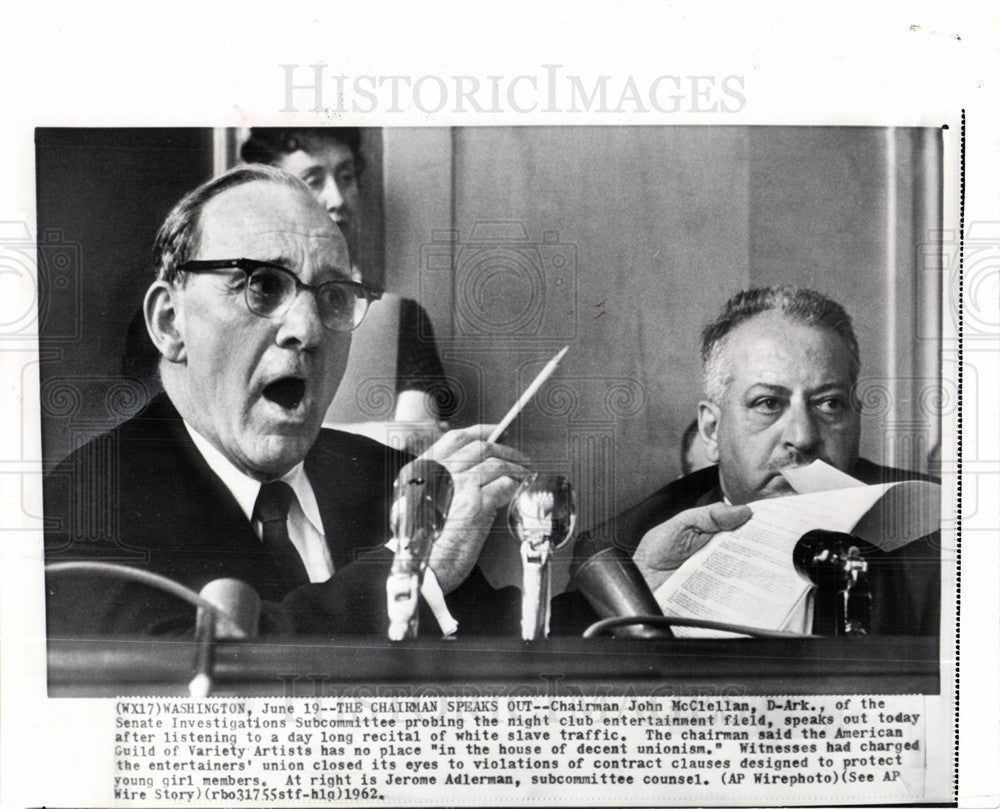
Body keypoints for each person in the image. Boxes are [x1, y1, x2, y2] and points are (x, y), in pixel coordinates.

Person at [44, 165, 525, 637]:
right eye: (264, 286)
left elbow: (514, 640)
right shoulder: (83, 503)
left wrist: (595, 565)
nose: (309, 329)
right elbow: (195, 690)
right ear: (171, 323)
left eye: (334, 296)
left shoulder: (388, 477)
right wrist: (409, 570)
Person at [573, 286, 940, 636]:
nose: (802, 436)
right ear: (712, 430)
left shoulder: (939, 534)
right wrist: (643, 613)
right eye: (768, 403)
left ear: (857, 417)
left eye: (829, 403)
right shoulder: (623, 553)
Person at [239, 128, 454, 449]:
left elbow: (414, 441)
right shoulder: (241, 306)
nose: (338, 199)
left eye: (346, 177)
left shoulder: (399, 318)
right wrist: (378, 435)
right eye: (313, 181)